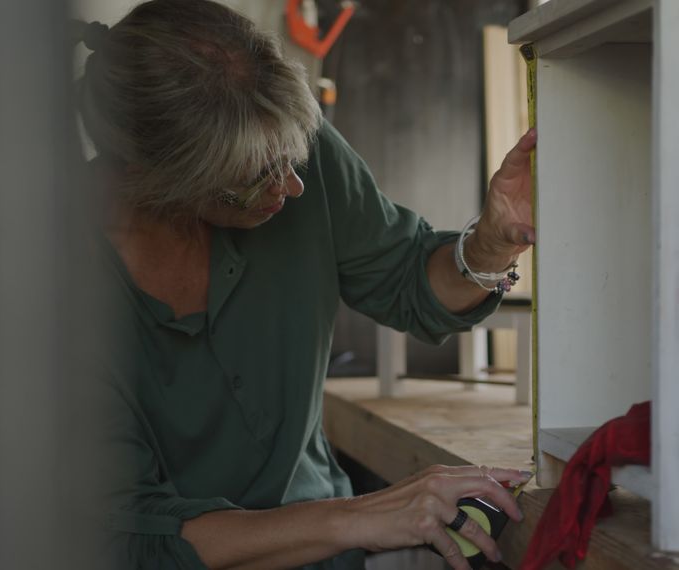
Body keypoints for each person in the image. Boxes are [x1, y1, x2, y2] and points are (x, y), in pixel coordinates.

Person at [74, 1, 536, 569]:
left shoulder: (288, 148)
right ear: (159, 183)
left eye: (292, 159)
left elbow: (410, 282)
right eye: (252, 180)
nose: (291, 187)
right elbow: (130, 539)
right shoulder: (52, 285)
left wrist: (493, 242)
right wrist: (359, 515)